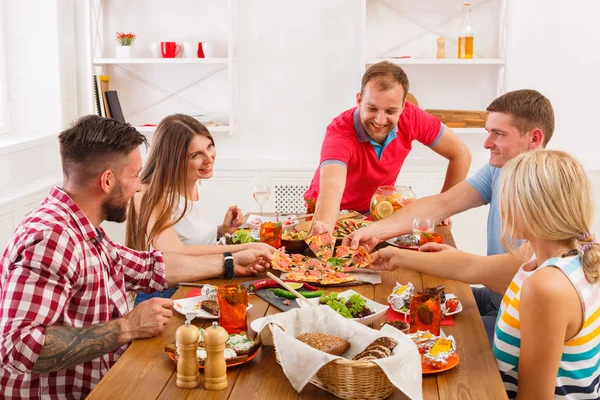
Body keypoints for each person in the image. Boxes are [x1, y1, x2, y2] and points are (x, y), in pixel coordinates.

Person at [0, 116, 273, 399]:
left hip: (106, 380)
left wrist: (230, 263)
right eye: (134, 176)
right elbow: (18, 347)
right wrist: (127, 327)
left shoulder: (81, 227)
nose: (139, 187)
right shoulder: (52, 238)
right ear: (107, 181)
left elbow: (149, 266)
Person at [369, 150, 600, 399]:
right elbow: (469, 266)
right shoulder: (558, 255)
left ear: (534, 208)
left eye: (507, 198)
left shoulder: (547, 287)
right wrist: (397, 255)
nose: (502, 208)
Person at [345, 89, 555, 338]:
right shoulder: (498, 171)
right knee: (398, 311)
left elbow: (516, 270)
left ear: (534, 138)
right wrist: (374, 230)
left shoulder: (548, 189)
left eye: (499, 134)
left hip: (520, 319)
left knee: (414, 338)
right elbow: (442, 203)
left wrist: (401, 257)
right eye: (489, 132)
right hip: (495, 298)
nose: (487, 144)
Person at [304, 60, 471, 234]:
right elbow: (333, 182)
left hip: (374, 215)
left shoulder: (412, 116)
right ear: (359, 101)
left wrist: (443, 208)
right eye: (372, 108)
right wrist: (323, 230)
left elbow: (461, 154)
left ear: (403, 106)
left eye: (390, 111)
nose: (380, 120)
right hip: (328, 215)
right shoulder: (340, 132)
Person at [125, 114, 274, 304]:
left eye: (209, 147)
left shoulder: (193, 182)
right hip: (166, 296)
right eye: (196, 155)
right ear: (173, 160)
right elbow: (173, 253)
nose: (209, 158)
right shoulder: (149, 195)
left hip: (199, 284)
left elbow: (188, 238)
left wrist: (222, 231)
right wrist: (247, 248)